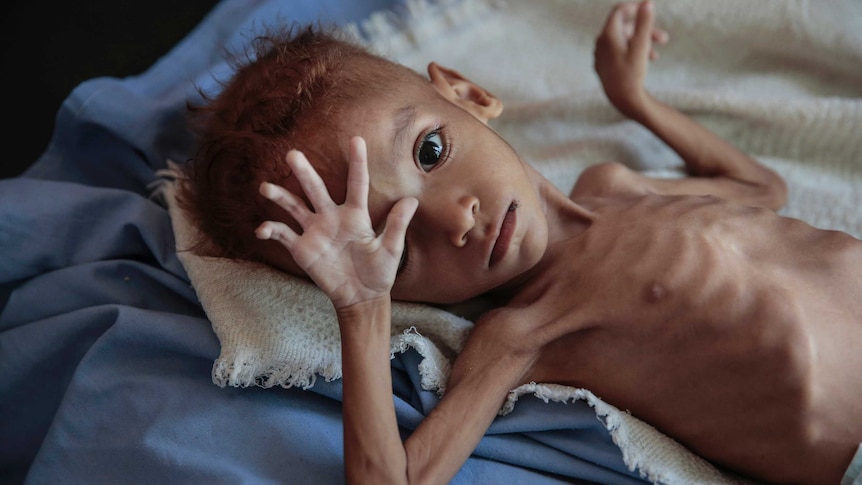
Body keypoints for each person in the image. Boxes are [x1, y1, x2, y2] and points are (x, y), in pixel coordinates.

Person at [177, 1, 862, 484]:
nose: (456, 220)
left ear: (469, 94)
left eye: (431, 150)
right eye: (397, 241)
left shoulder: (617, 183)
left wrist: (636, 101)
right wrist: (362, 304)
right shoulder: (524, 332)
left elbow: (759, 187)